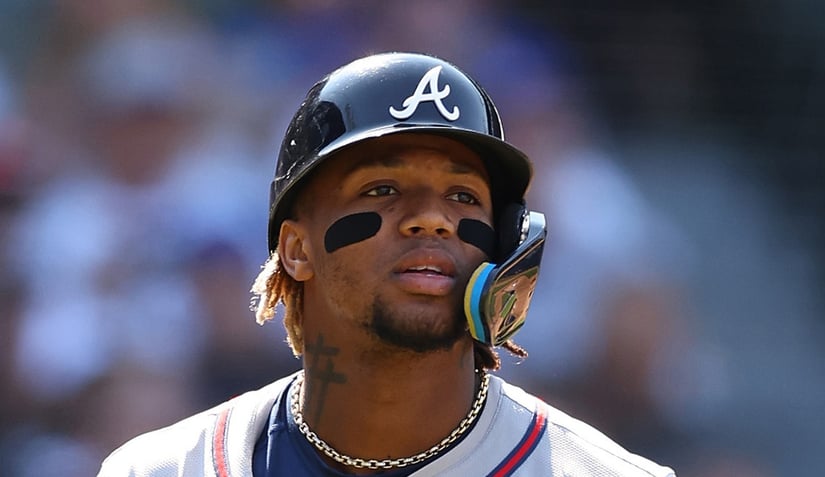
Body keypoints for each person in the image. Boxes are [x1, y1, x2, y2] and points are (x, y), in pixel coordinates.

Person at [98, 52, 675, 476]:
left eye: (464, 197)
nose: (432, 219)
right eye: (381, 188)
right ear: (297, 250)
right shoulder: (162, 469)